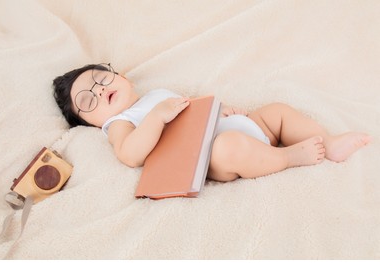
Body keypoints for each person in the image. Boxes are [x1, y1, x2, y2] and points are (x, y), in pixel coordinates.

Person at [53, 63, 371, 181]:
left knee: (277, 111)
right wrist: (156, 117)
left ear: (121, 76)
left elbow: (195, 112)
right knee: (228, 147)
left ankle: (329, 143)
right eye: (88, 101)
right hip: (210, 158)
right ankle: (288, 157)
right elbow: (129, 154)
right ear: (94, 124)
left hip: (235, 127)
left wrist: (222, 112)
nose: (100, 89)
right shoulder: (119, 123)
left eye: (101, 78)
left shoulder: (157, 94)